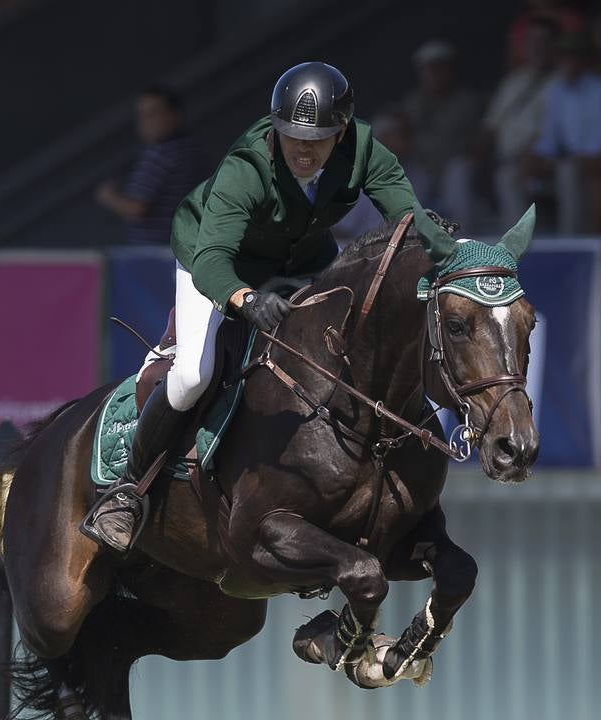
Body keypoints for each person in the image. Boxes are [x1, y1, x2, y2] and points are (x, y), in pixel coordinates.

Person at [81, 62, 424, 554]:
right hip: (214, 259)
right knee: (195, 374)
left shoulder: (364, 149)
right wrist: (245, 298)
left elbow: (407, 220)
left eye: (318, 139)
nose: (303, 150)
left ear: (342, 132)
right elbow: (214, 260)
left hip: (299, 257)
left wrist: (437, 245)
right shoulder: (246, 166)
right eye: (291, 138)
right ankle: (128, 493)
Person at [524, 32, 601, 233]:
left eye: (574, 56)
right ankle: (517, 245)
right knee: (509, 175)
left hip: (594, 161)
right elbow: (549, 136)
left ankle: (569, 236)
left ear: (585, 59)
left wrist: (576, 159)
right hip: (564, 159)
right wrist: (538, 157)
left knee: (567, 171)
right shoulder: (555, 89)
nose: (569, 62)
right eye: (564, 56)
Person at [95, 87, 211, 245]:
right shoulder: (193, 149)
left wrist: (108, 197)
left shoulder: (160, 154)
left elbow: (136, 209)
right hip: (187, 247)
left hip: (155, 255)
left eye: (153, 113)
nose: (145, 122)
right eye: (141, 115)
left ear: (174, 115)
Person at [480, 17, 558, 224]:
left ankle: (515, 249)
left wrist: (534, 153)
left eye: (543, 41)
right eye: (532, 42)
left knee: (507, 177)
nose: (537, 47)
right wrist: (475, 154)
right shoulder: (513, 81)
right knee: (459, 170)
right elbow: (491, 126)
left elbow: (558, 132)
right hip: (505, 157)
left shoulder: (561, 81)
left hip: (542, 159)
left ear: (554, 46)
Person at [400, 40, 484, 226]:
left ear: (450, 70)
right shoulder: (413, 102)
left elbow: (477, 140)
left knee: (458, 173)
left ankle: (465, 238)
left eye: (439, 68)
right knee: (405, 179)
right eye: (428, 69)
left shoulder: (467, 101)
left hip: (454, 164)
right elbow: (403, 138)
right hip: (423, 166)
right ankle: (406, 239)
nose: (433, 75)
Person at [332, 110, 431, 246]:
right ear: (381, 137)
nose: (403, 141)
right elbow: (341, 230)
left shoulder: (418, 175)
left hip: (402, 249)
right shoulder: (355, 173)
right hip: (356, 252)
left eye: (406, 135)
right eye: (396, 134)